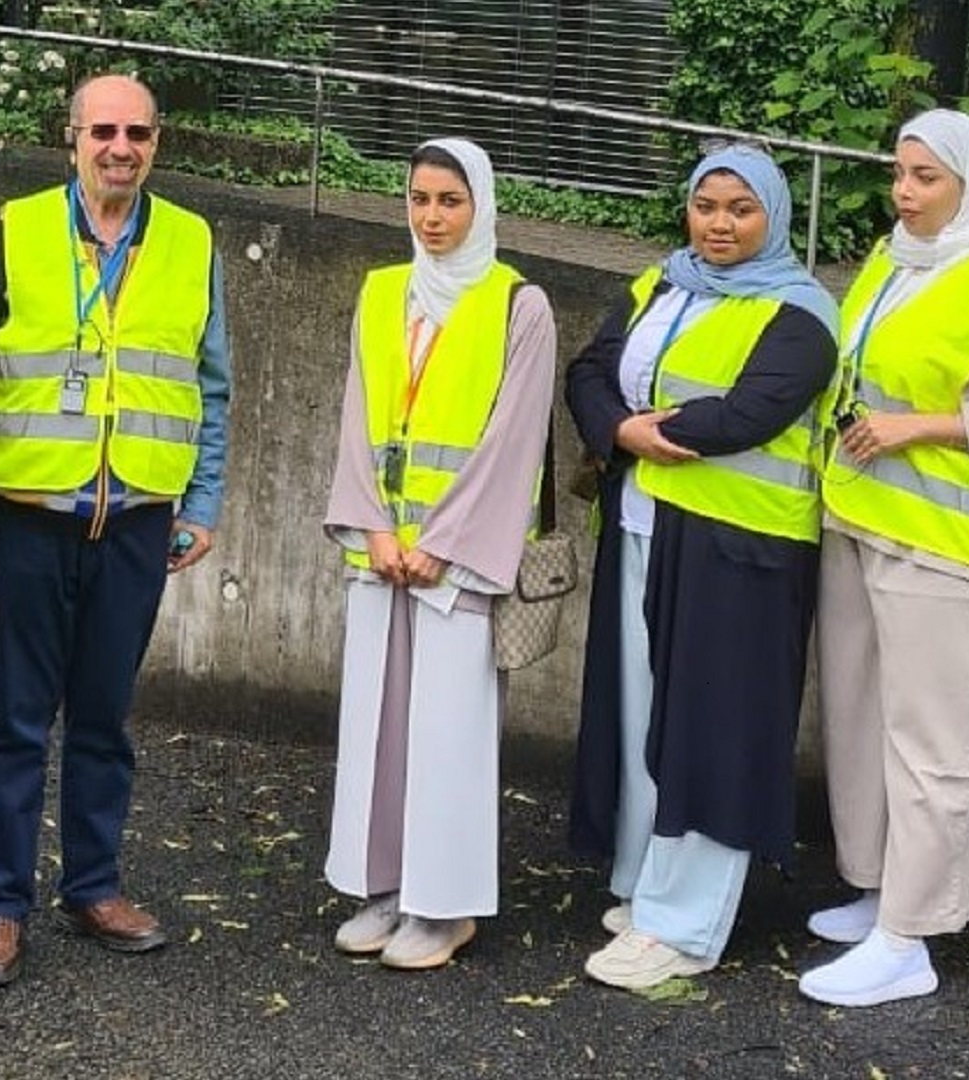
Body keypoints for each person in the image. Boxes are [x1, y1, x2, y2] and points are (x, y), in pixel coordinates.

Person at [0, 72, 230, 987]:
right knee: (18, 721)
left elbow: (212, 382)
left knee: (105, 719)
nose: (121, 147)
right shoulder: (14, 231)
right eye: (103, 130)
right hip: (31, 519)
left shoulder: (191, 242)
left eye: (137, 133)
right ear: (69, 137)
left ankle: (94, 885)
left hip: (140, 522)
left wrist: (204, 501)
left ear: (157, 141)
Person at [799, 110, 969, 1008]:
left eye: (926, 180)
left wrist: (919, 426)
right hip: (863, 522)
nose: (903, 192)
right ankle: (879, 889)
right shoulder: (895, 262)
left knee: (934, 743)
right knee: (863, 717)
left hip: (952, 552)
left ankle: (908, 938)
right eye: (901, 172)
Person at [565, 145, 840, 991]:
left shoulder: (801, 312)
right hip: (649, 525)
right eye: (706, 205)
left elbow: (756, 410)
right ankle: (648, 889)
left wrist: (647, 433)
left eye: (740, 210)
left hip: (743, 548)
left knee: (713, 727)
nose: (719, 224)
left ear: (774, 218)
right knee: (647, 714)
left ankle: (683, 927)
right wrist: (617, 429)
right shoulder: (661, 282)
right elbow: (588, 370)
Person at [320, 138, 557, 970]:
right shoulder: (384, 290)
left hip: (456, 563)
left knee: (448, 731)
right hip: (383, 552)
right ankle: (385, 885)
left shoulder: (519, 304)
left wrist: (444, 545)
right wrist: (375, 527)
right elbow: (358, 412)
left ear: (481, 206)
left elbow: (514, 440)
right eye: (419, 198)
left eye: (450, 201)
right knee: (378, 724)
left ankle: (444, 905)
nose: (432, 217)